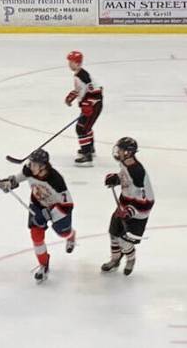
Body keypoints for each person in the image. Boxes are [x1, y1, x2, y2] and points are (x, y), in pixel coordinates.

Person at [0, 148, 76, 283]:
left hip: (59, 208)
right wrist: (8, 183)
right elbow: (16, 179)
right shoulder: (29, 170)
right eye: (31, 163)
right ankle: (44, 265)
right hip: (37, 204)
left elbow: (68, 205)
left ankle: (71, 235)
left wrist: (51, 214)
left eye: (34, 164)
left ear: (43, 166)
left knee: (63, 233)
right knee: (36, 235)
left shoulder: (56, 180)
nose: (30, 166)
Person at [102, 137, 154, 276]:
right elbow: (125, 178)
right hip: (124, 205)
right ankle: (115, 259)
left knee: (124, 241)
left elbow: (146, 201)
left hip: (138, 212)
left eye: (120, 149)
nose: (117, 151)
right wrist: (116, 179)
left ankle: (130, 259)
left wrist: (130, 212)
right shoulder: (125, 164)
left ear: (127, 152)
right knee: (113, 233)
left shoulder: (137, 172)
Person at [65, 50, 104, 166]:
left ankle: (87, 156)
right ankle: (89, 149)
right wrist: (71, 96)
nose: (69, 64)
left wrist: (88, 104)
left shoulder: (83, 76)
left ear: (77, 63)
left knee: (81, 128)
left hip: (94, 105)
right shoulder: (79, 74)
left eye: (71, 62)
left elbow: (97, 91)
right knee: (86, 127)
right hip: (90, 105)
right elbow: (81, 90)